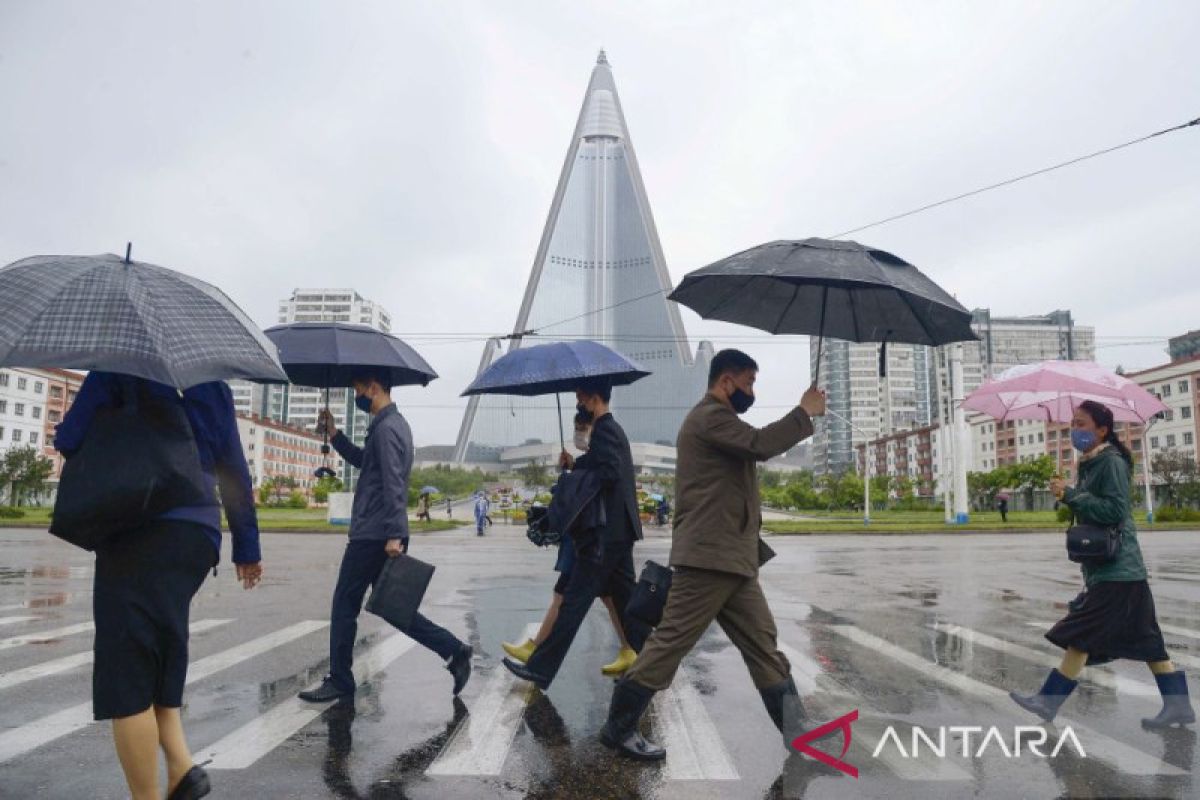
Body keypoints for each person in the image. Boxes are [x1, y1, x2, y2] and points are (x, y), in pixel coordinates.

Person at [598, 349, 826, 761]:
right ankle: (618, 728)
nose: (751, 391)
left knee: (763, 646)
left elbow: (748, 451)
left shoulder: (723, 422)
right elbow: (759, 444)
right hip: (708, 559)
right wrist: (803, 413)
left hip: (733, 560)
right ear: (726, 381)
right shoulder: (709, 418)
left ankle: (797, 734)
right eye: (749, 383)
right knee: (669, 644)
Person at [55, 372, 264, 800]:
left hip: (140, 524)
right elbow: (233, 468)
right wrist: (247, 546)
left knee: (127, 672)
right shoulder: (212, 383)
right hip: (197, 535)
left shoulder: (117, 368)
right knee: (159, 647)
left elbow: (70, 438)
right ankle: (181, 767)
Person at [1010, 400, 1195, 728]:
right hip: (1118, 568)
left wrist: (1071, 495)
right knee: (1147, 639)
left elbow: (1113, 510)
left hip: (1117, 568)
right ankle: (1178, 706)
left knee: (1083, 631)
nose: (1075, 430)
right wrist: (1070, 493)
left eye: (1082, 424)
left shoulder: (1110, 462)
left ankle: (1047, 701)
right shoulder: (1093, 461)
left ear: (1102, 429)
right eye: (1073, 424)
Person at [299, 372, 472, 704]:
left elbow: (394, 481)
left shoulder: (388, 427)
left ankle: (340, 680)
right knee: (394, 608)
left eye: (357, 389)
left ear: (372, 388)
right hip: (381, 530)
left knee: (344, 604)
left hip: (375, 533)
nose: (357, 396)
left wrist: (394, 533)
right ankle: (454, 650)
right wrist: (334, 434)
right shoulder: (391, 425)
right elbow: (368, 463)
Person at [503, 378, 647, 689]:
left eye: (581, 396)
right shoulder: (611, 429)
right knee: (626, 603)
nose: (578, 401)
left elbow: (608, 473)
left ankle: (540, 668)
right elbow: (604, 465)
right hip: (619, 532)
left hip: (606, 535)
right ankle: (653, 663)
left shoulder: (606, 429)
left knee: (574, 601)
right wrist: (576, 463)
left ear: (594, 398)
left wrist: (574, 477)